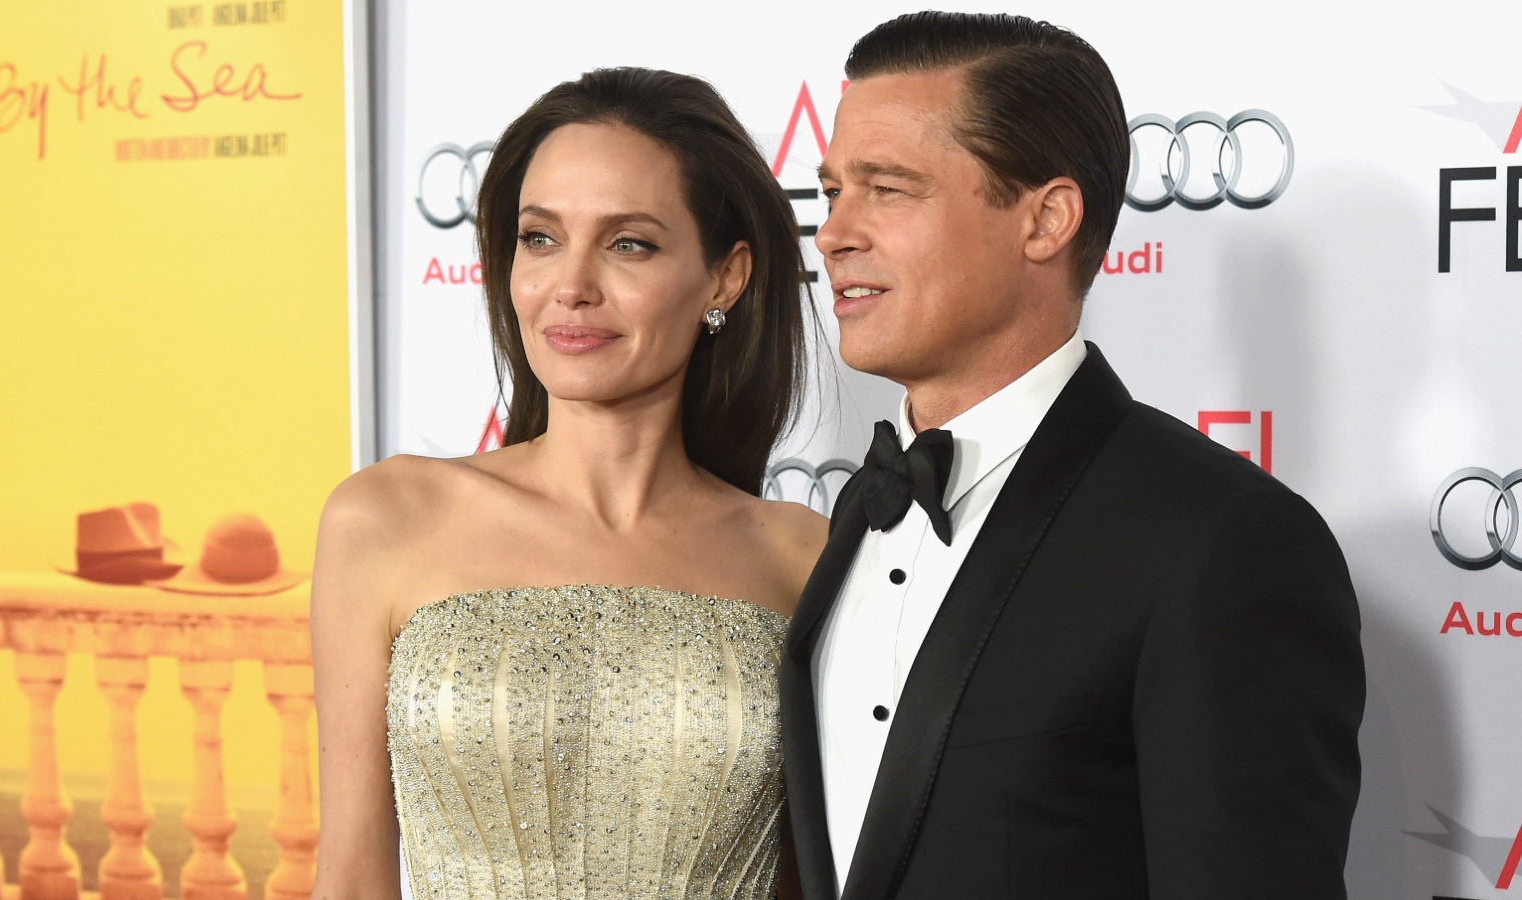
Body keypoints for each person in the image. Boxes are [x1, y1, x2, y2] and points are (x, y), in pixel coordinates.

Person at [780, 13, 1365, 900]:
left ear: (1046, 219)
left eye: (889, 190)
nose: (833, 234)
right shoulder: (861, 508)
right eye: (831, 193)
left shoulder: (1222, 543)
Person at [309, 67, 825, 900]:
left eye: (630, 243)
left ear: (725, 279)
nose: (570, 286)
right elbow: (351, 879)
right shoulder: (386, 519)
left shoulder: (803, 558)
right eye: (541, 238)